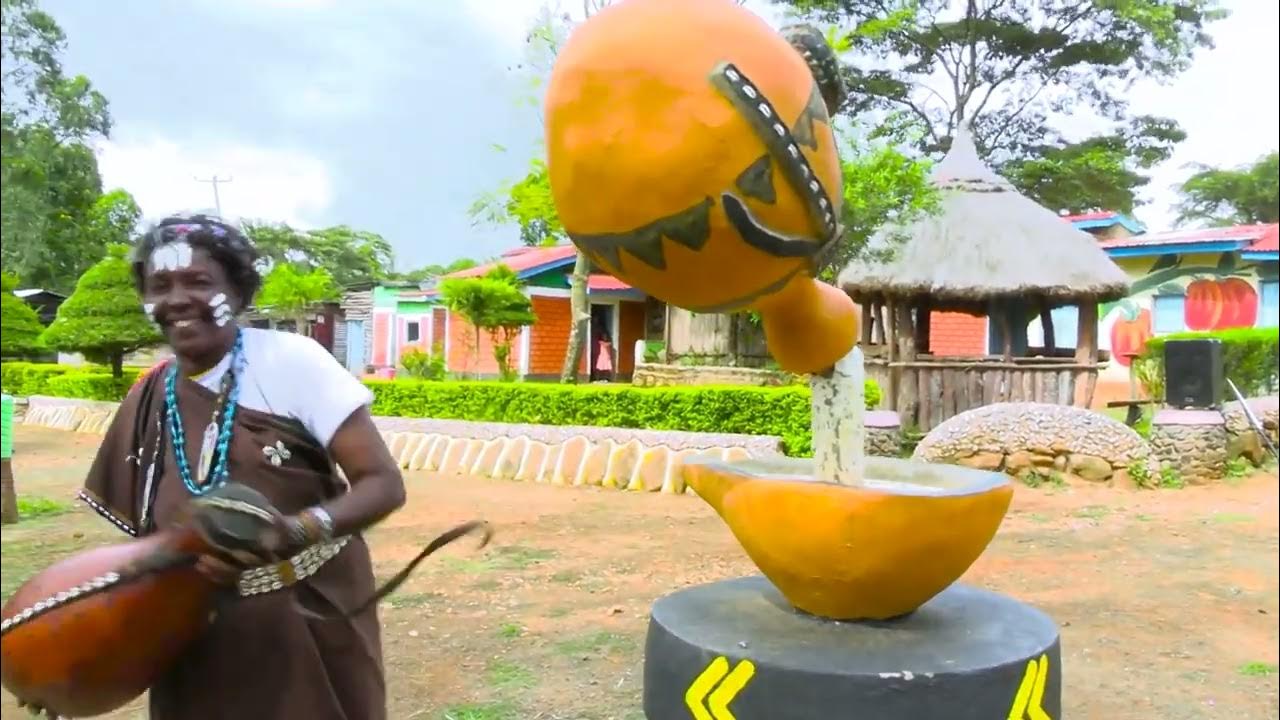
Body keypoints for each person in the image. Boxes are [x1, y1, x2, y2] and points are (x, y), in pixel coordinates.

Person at [72, 214, 407, 719]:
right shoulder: (149, 395)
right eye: (160, 285)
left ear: (239, 289)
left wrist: (298, 529)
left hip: (308, 617)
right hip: (192, 629)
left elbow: (382, 483)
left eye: (199, 281)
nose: (178, 298)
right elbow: (146, 546)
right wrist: (70, 664)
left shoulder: (293, 362)